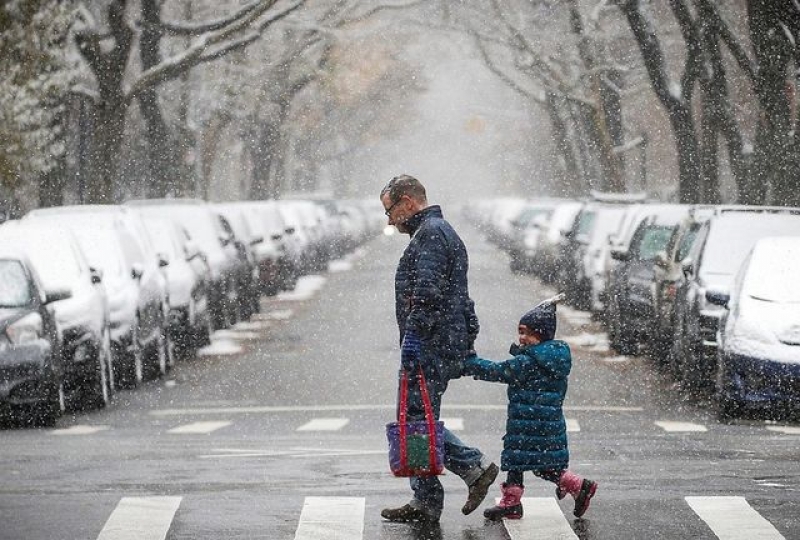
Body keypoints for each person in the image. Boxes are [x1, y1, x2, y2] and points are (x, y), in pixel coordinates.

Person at [380, 174, 498, 523]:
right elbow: (461, 295)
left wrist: (415, 337)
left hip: (432, 342)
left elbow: (428, 293)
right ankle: (426, 499)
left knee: (417, 419)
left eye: (390, 211)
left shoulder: (431, 235)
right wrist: (466, 336)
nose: (389, 220)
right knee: (417, 416)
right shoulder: (439, 232)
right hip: (443, 339)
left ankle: (471, 468)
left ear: (408, 202)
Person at [462, 293, 598, 520]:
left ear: (540, 335)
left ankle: (573, 487)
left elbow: (499, 371)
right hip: (546, 423)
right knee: (536, 464)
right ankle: (571, 487)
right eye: (520, 332)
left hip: (528, 423)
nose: (521, 338)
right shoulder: (553, 360)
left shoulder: (529, 362)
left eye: (526, 333)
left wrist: (470, 364)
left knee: (523, 461)